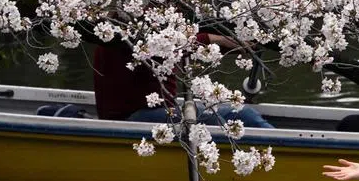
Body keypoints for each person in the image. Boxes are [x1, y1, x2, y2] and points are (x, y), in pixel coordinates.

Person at [92, 33, 274, 128]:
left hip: (146, 113)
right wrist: (212, 39)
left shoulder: (117, 32)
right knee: (243, 115)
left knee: (239, 112)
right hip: (135, 118)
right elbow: (166, 42)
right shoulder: (129, 37)